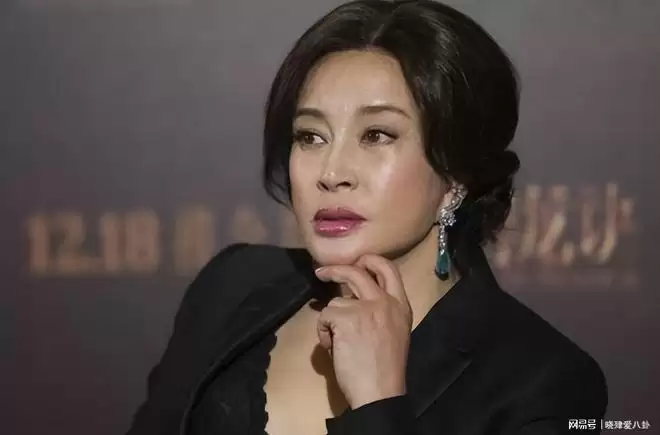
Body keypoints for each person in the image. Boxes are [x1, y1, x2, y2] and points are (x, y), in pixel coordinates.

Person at [126, 1, 608, 434]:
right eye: (311, 136)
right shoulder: (230, 287)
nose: (331, 173)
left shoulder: (544, 382)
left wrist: (378, 403)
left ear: (456, 175)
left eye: (376, 135)